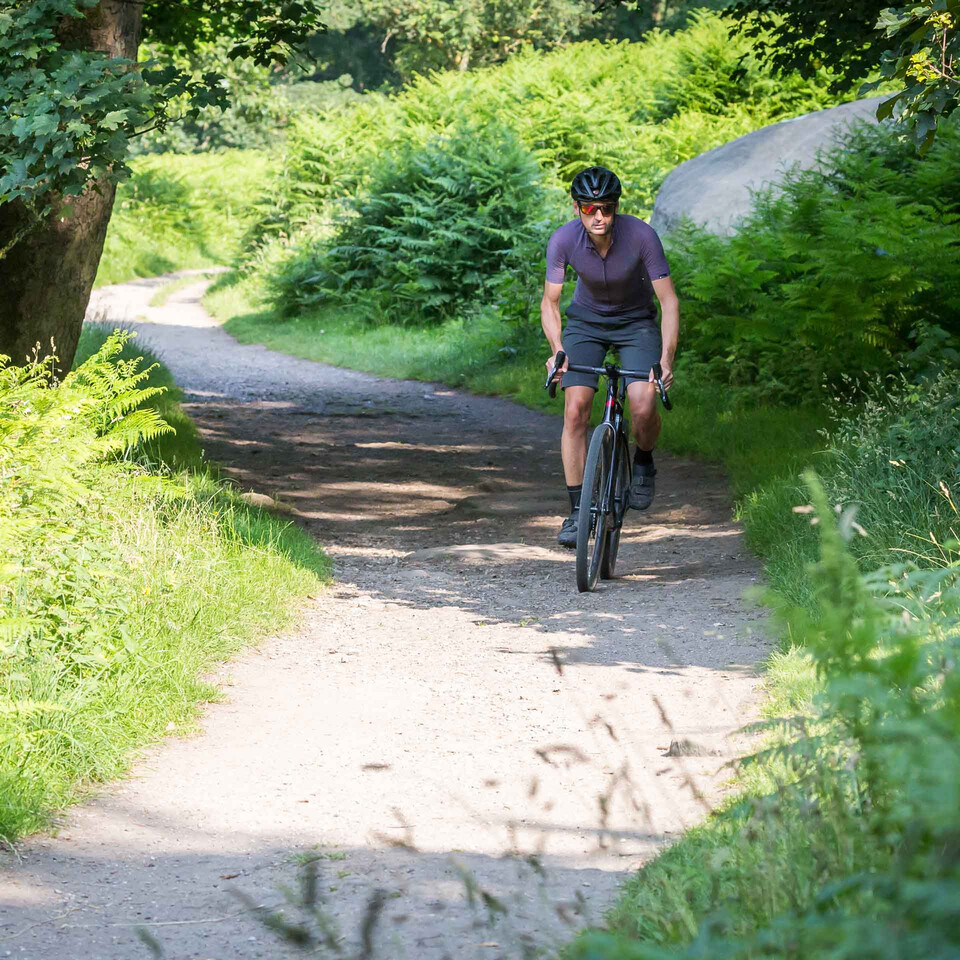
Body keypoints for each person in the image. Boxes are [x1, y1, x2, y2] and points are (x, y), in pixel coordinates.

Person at [541, 165, 679, 548]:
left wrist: (666, 360)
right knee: (575, 409)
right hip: (586, 323)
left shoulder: (642, 236)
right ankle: (576, 513)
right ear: (576, 208)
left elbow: (668, 302)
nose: (598, 216)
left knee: (643, 403)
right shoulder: (563, 240)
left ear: (616, 207)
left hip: (636, 323)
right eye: (589, 209)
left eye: (606, 208)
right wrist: (558, 352)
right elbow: (550, 303)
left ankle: (644, 461)